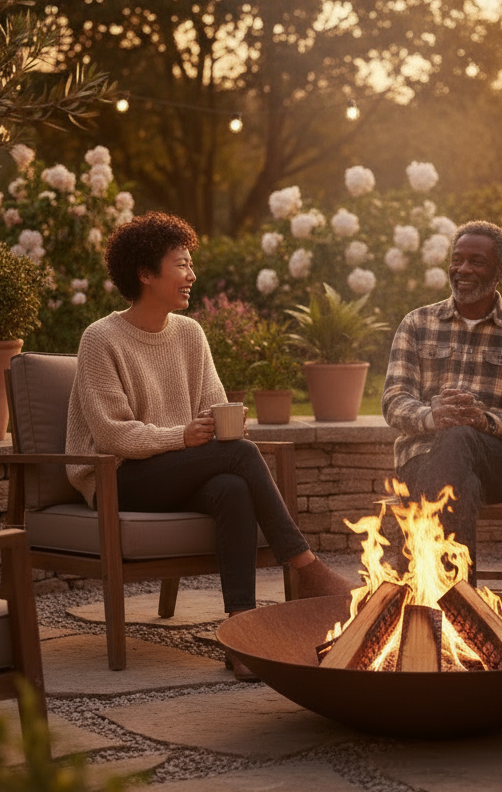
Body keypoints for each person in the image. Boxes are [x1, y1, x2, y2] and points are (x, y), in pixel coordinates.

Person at [64, 211, 350, 680]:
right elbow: (112, 433)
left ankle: (239, 636)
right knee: (239, 458)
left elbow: (215, 406)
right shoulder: (101, 339)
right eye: (181, 264)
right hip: (119, 477)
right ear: (145, 273)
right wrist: (181, 436)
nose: (192, 275)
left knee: (234, 488)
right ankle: (304, 565)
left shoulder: (190, 334)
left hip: (178, 469)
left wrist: (225, 427)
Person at [382, 220, 502, 582]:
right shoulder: (417, 323)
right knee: (461, 481)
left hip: (497, 462)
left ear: (501, 270)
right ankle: (462, 602)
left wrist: (482, 420)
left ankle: (422, 579)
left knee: (460, 439)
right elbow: (394, 400)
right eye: (457, 260)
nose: (463, 270)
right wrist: (432, 416)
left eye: (477, 261)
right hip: (420, 456)